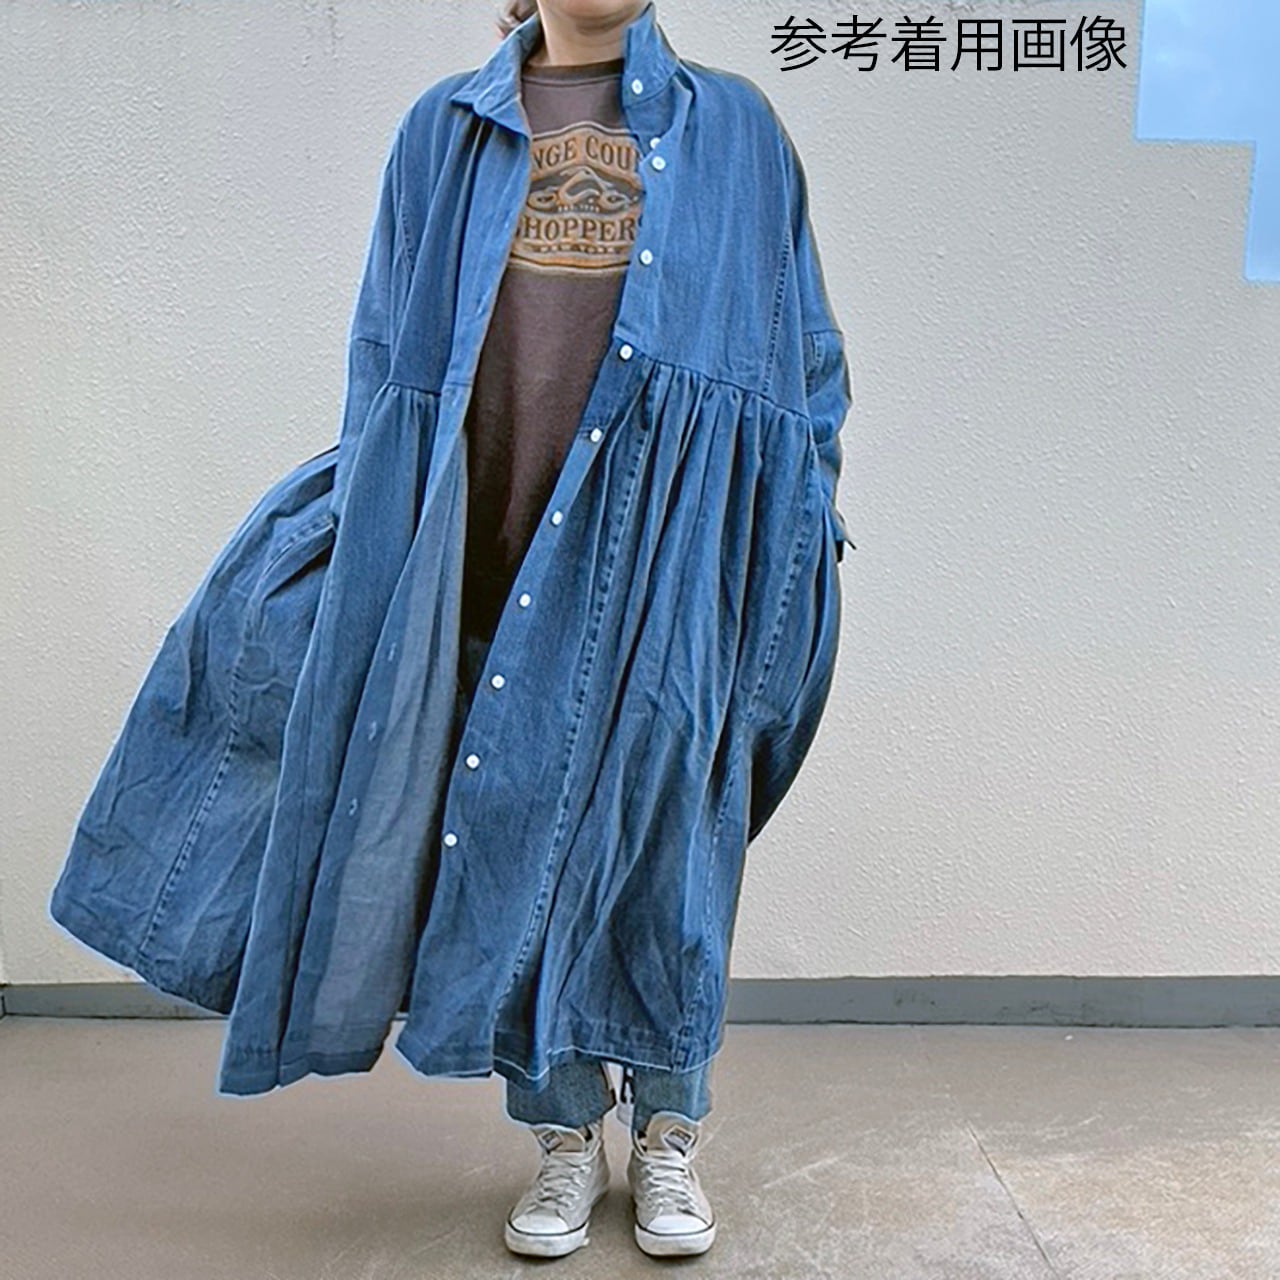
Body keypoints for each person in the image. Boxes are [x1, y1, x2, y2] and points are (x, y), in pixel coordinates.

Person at [466, 1, 720, 1258]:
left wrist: (798, 524)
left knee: (670, 847)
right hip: (502, 543)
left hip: (668, 550)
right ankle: (563, 1130)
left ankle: (668, 1128)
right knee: (517, 843)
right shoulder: (450, 131)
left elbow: (801, 346)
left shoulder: (731, 130)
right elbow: (389, 342)